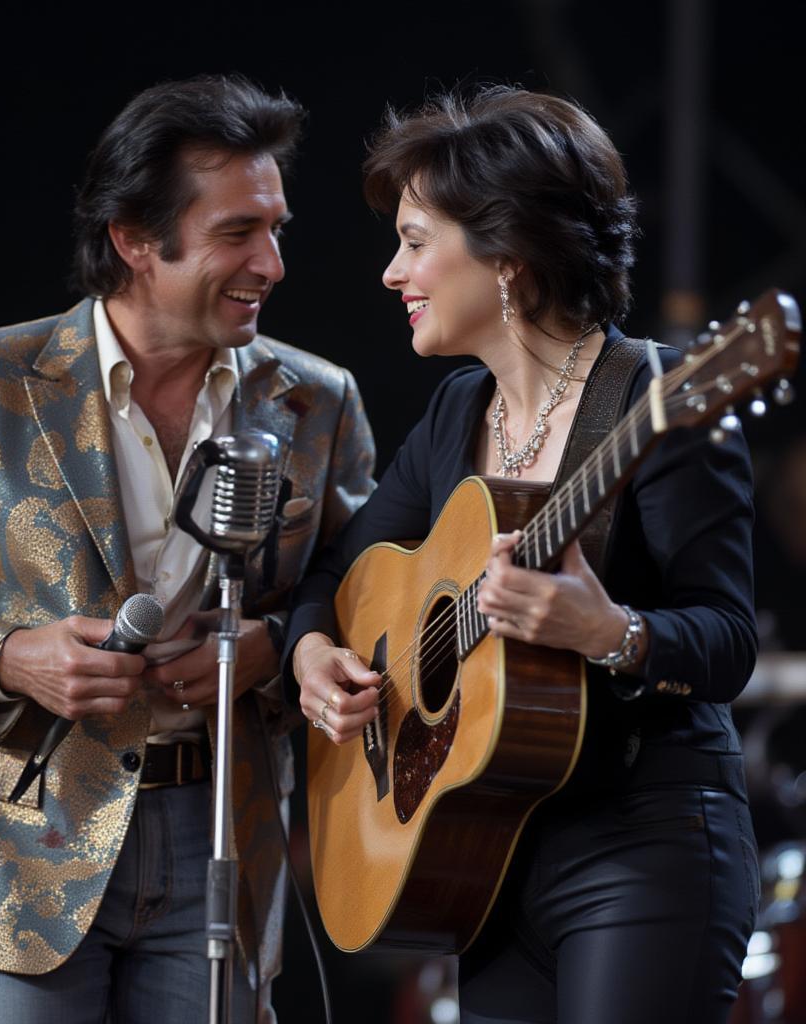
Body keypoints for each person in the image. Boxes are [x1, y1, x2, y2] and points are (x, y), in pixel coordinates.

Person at [0, 75, 375, 1024]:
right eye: (238, 232)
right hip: (24, 859)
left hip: (225, 844)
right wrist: (7, 658)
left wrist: (270, 651)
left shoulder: (318, 401)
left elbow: (359, 598)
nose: (274, 262)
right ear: (132, 238)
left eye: (277, 228)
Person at [287, 87, 759, 1024]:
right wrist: (310, 654)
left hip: (645, 844)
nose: (392, 273)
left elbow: (728, 640)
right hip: (486, 854)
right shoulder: (457, 413)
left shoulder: (654, 395)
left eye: (416, 240)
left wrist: (611, 632)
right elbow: (334, 580)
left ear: (506, 252)